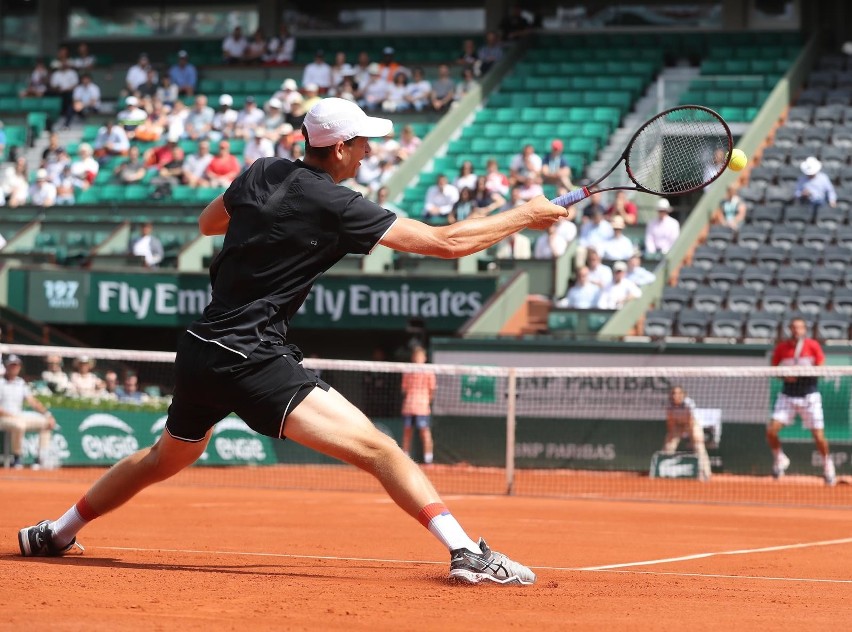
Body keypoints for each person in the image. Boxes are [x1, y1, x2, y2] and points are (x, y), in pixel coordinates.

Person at [16, 98, 568, 586]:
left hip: (202, 347)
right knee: (382, 450)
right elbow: (446, 244)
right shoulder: (338, 203)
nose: (369, 155)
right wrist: (525, 214)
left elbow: (210, 223)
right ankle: (466, 553)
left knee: (163, 457)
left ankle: (56, 532)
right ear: (344, 148)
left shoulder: (258, 172)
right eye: (365, 145)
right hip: (251, 354)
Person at [767, 317, 836, 485]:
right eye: (794, 327)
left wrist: (802, 373)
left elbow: (821, 367)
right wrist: (785, 375)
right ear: (790, 329)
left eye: (800, 328)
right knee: (771, 431)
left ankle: (828, 465)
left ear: (805, 330)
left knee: (818, 436)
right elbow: (773, 369)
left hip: (809, 396)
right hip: (787, 396)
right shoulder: (782, 348)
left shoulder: (812, 346)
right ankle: (780, 459)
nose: (797, 330)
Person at [0, 355, 56, 470]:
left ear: (19, 367)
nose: (14, 368)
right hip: (3, 418)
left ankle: (41, 458)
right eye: (11, 365)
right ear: (6, 367)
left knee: (46, 423)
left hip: (19, 416)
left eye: (16, 365)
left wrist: (48, 415)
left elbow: (32, 401)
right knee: (19, 425)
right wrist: (11, 416)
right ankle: (16, 458)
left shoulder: (21, 383)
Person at [662, 385, 712, 481]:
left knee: (699, 445)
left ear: (683, 394)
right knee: (669, 445)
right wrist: (671, 435)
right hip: (678, 424)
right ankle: (664, 470)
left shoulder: (688, 403)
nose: (675, 395)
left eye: (678, 393)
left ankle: (705, 472)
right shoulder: (669, 406)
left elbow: (691, 419)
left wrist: (690, 434)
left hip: (692, 424)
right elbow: (670, 422)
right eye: (673, 393)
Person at [401, 346, 436, 465]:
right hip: (409, 406)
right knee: (407, 432)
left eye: (420, 356)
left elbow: (432, 390)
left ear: (425, 358)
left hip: (422, 408)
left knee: (425, 432)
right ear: (413, 357)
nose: (418, 359)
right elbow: (404, 388)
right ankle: (405, 459)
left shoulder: (429, 372)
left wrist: (426, 401)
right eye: (416, 356)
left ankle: (428, 459)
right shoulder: (408, 371)